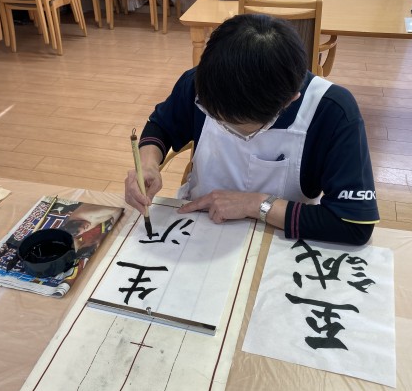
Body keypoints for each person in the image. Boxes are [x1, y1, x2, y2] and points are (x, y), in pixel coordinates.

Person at [124, 14, 379, 245]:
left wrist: (256, 204)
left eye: (239, 129)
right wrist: (147, 163)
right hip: (197, 228)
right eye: (214, 117)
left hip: (280, 238)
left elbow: (353, 224)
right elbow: (162, 125)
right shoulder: (203, 82)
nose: (223, 127)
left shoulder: (332, 110)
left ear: (289, 100)